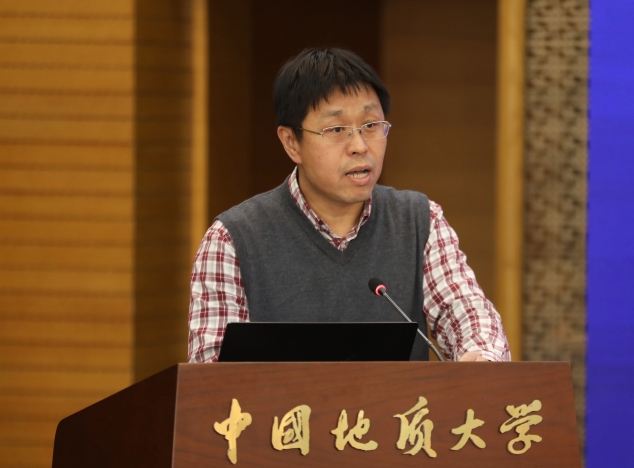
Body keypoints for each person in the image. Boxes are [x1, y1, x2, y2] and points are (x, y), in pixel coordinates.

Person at [188, 48, 510, 363]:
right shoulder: (232, 239)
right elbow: (210, 375)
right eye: (337, 129)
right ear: (291, 142)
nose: (359, 146)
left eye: (371, 125)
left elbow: (467, 311)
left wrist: (481, 358)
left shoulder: (419, 221)